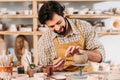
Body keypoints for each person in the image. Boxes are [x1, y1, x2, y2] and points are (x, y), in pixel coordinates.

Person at [37, 1, 105, 72]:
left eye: (59, 22)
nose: (57, 28)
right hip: (62, 77)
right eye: (51, 26)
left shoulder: (84, 27)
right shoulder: (44, 40)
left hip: (86, 75)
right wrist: (54, 68)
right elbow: (44, 69)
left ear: (64, 14)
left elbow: (100, 57)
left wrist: (81, 52)